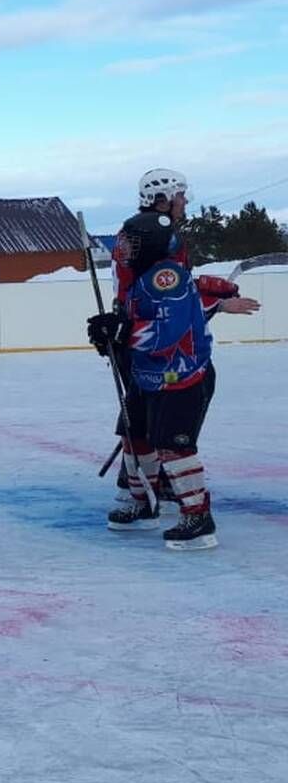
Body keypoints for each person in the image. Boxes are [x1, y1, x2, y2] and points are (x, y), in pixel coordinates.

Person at [92, 169, 259, 528]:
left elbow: (175, 298)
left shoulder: (147, 233)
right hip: (142, 339)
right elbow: (166, 300)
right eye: (180, 195)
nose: (185, 202)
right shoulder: (151, 235)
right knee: (139, 423)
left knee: (160, 425)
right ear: (163, 198)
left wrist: (209, 294)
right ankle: (142, 490)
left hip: (153, 343)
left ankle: (161, 488)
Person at [118, 213, 221, 550]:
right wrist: (110, 329)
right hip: (146, 378)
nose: (123, 248)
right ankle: (144, 502)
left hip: (181, 377)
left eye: (130, 242)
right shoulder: (138, 277)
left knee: (173, 447)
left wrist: (123, 334)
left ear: (148, 244)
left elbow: (166, 331)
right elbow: (134, 322)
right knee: (134, 437)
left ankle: (197, 516)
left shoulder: (167, 276)